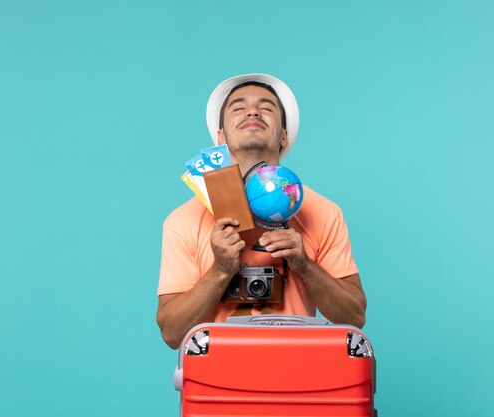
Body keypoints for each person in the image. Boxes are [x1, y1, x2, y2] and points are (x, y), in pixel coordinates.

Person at [156, 74, 366, 349]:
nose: (253, 111)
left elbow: (355, 317)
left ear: (283, 135)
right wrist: (220, 271)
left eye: (266, 107)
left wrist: (304, 265)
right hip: (218, 383)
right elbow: (172, 334)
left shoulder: (324, 212)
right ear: (220, 136)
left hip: (297, 378)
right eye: (238, 107)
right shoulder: (183, 220)